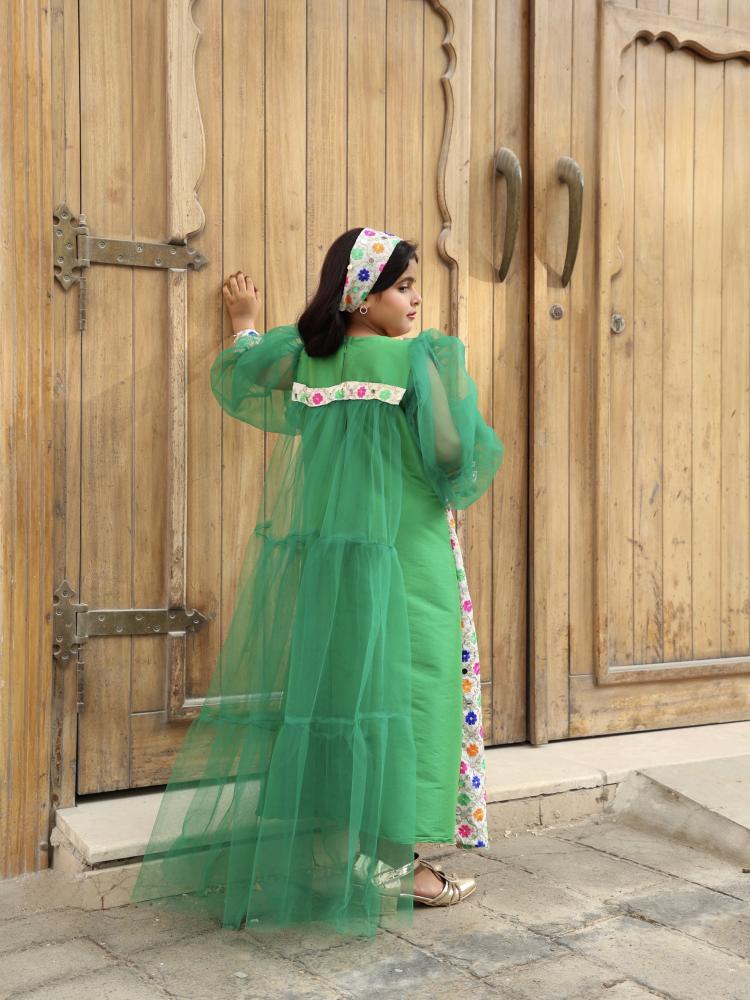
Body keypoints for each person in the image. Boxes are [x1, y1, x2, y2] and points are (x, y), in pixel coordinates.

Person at [130, 227, 505, 939]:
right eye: (403, 286)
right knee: (416, 694)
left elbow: (247, 372)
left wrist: (244, 324)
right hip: (409, 557)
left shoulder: (308, 357)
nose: (415, 299)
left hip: (336, 562)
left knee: (353, 693)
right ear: (362, 296)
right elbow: (454, 453)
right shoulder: (416, 357)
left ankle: (367, 847)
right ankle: (398, 865)